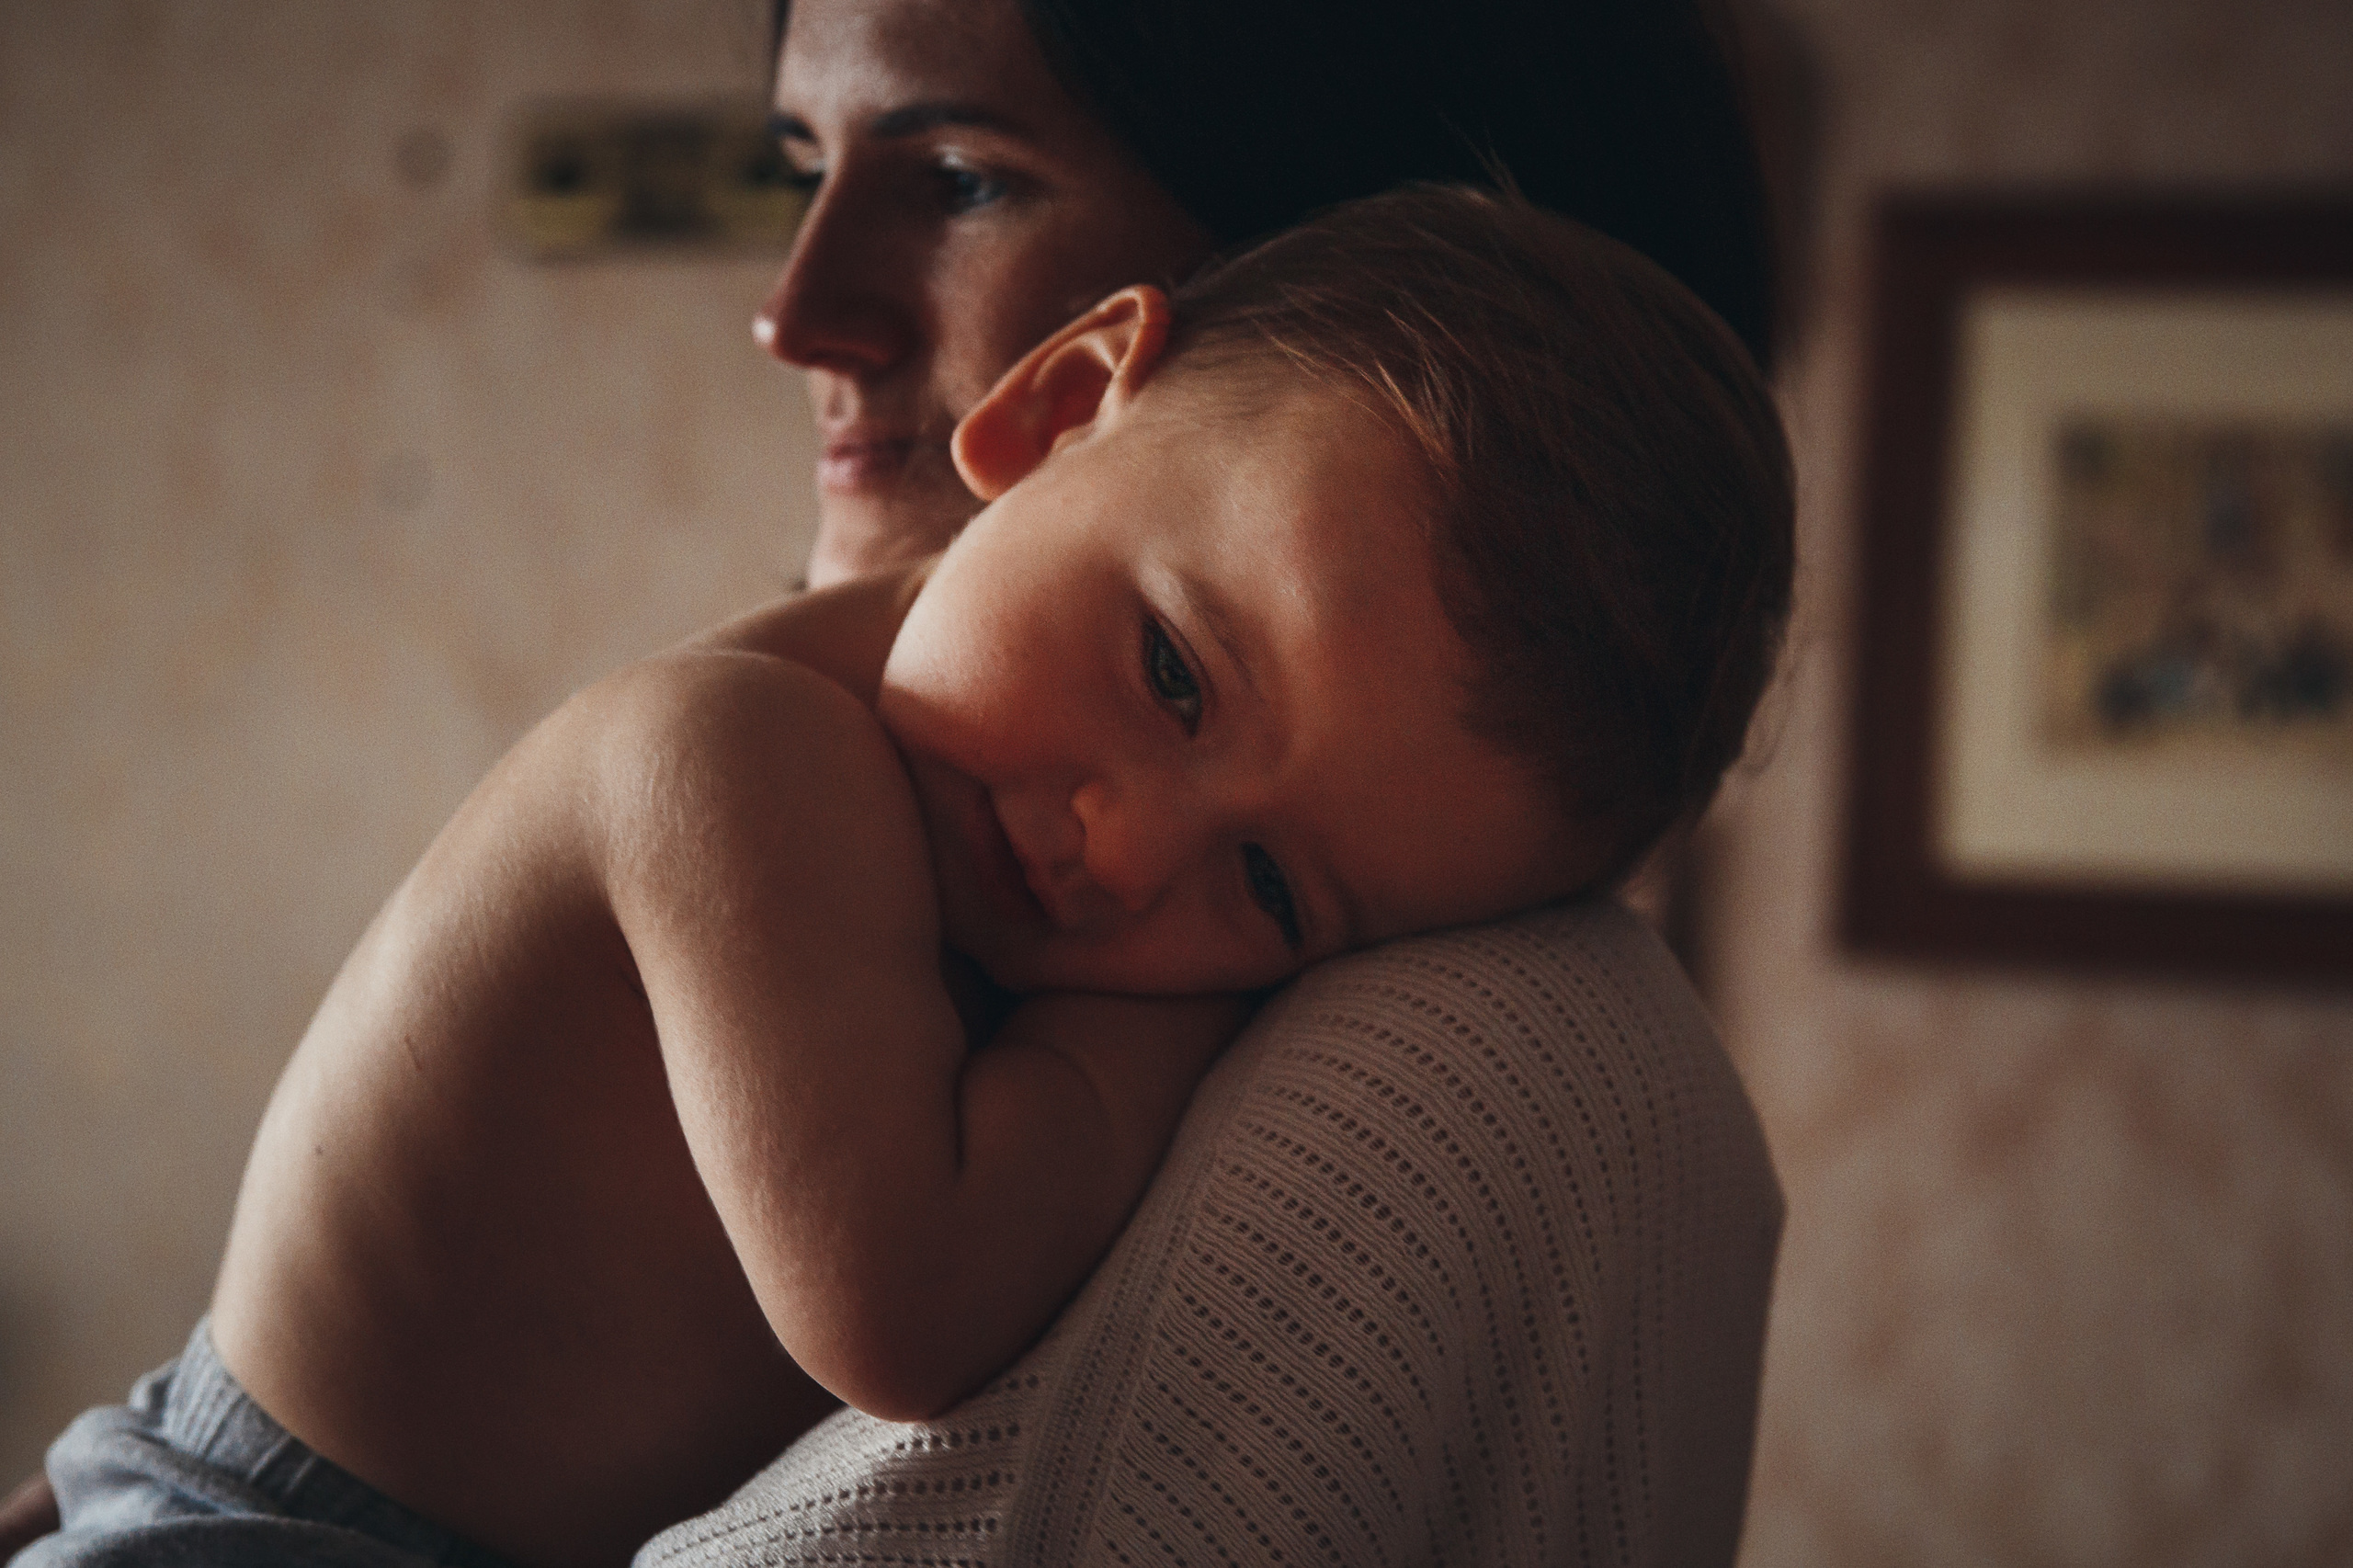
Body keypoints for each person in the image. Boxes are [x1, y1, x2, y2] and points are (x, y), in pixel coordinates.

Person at [0, 0, 1789, 1560]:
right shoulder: (729, 756)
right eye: (1169, 671)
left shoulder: (1524, 1065)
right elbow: (903, 1307)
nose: (1121, 857)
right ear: (1064, 402)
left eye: (960, 176)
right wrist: (1152, 1028)